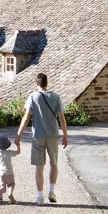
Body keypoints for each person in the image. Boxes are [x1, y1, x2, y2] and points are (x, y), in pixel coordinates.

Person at [16, 72, 68, 205]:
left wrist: (18, 135)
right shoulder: (56, 97)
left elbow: (26, 117)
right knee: (54, 163)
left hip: (38, 136)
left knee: (39, 167)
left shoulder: (33, 97)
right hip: (53, 135)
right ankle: (51, 191)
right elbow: (61, 117)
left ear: (36, 83)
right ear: (46, 83)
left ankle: (40, 197)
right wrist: (66, 135)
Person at [0, 135, 21, 204]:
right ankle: (10, 194)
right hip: (9, 172)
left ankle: (0, 198)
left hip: (1, 173)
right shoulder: (9, 152)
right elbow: (18, 152)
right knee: (11, 184)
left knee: (1, 185)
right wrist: (18, 146)